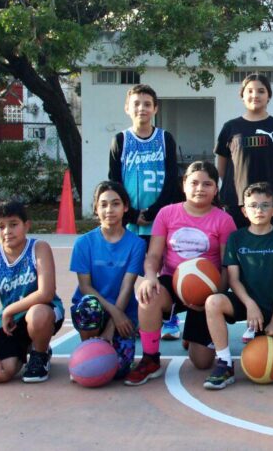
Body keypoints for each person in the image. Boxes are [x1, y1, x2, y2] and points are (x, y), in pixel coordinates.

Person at [123, 161, 237, 385]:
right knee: (147, 295)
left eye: (207, 184)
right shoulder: (167, 214)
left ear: (216, 189)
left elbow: (226, 265)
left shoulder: (224, 220)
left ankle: (192, 338)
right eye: (194, 182)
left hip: (206, 289)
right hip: (172, 281)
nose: (200, 188)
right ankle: (150, 359)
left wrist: (215, 297)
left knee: (202, 362)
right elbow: (154, 256)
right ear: (184, 184)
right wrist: (150, 278)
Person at [202, 182, 273, 390]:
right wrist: (250, 305)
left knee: (267, 360)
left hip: (272, 307)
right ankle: (225, 362)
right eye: (253, 205)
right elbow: (234, 279)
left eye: (265, 205)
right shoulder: (237, 238)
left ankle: (261, 330)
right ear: (244, 211)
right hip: (246, 302)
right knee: (213, 302)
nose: (259, 210)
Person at [108, 84, 180, 339]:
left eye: (147, 104)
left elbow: (172, 179)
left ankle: (170, 317)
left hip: (160, 218)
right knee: (130, 270)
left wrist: (153, 212)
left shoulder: (165, 139)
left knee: (164, 269)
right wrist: (131, 214)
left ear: (155, 108)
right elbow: (114, 182)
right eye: (136, 103)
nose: (142, 108)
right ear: (128, 108)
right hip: (132, 220)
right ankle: (128, 317)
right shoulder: (120, 140)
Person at [0, 201, 65, 384]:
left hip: (43, 313)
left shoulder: (38, 248)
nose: (7, 231)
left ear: (26, 225)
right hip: (12, 324)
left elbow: (46, 293)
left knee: (38, 314)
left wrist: (9, 310)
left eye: (13, 224)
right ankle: (25, 347)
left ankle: (40, 354)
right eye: (0, 226)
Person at [69, 181, 147, 380]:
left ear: (125, 207)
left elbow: (127, 286)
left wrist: (113, 326)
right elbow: (85, 287)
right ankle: (85, 352)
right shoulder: (83, 243)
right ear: (96, 209)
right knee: (89, 306)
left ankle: (107, 343)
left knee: (119, 370)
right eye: (103, 204)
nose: (109, 209)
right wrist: (114, 313)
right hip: (95, 307)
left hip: (123, 310)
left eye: (115, 203)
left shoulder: (137, 244)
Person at [215, 72, 273, 230]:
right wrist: (236, 189)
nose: (255, 95)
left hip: (268, 204)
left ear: (268, 96)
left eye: (261, 91)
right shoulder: (230, 127)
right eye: (250, 91)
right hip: (236, 204)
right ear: (242, 95)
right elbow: (222, 169)